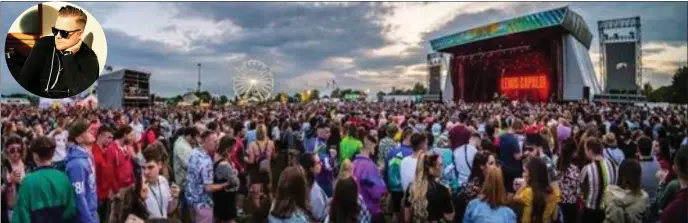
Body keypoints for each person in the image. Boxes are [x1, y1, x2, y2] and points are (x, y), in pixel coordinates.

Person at [17, 5, 99, 98]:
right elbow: (25, 81)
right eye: (55, 30)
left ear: (79, 34)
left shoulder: (90, 58)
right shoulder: (43, 44)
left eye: (64, 33)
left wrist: (68, 56)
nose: (58, 36)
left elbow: (79, 93)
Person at [11, 136, 77, 223]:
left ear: (35, 155)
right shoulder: (64, 177)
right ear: (53, 154)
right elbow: (71, 210)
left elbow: (21, 216)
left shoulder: (27, 182)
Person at [185, 131, 231, 223]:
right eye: (214, 141)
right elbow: (208, 188)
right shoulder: (206, 161)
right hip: (203, 203)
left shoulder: (194, 152)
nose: (217, 144)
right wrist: (226, 184)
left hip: (191, 198)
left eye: (217, 141)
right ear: (205, 141)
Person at [403, 152, 454, 222]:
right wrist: (449, 196)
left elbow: (407, 219)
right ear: (433, 168)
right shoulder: (442, 190)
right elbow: (450, 217)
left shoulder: (411, 188)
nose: (442, 168)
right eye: (440, 165)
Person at [64, 120, 98, 223]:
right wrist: (89, 220)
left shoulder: (86, 157)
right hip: (84, 218)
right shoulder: (77, 164)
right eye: (88, 131)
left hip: (92, 212)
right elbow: (79, 196)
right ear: (79, 139)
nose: (93, 131)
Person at [513, 157, 561, 223]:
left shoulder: (527, 192)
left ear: (532, 174)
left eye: (524, 171)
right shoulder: (554, 191)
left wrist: (523, 186)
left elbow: (515, 198)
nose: (522, 174)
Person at [581, 138, 618, 223]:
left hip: (591, 210)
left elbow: (581, 189)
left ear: (590, 151)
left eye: (585, 149)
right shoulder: (613, 164)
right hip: (608, 208)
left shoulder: (587, 169)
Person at [352, 135, 387, 222]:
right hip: (370, 209)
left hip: (356, 207)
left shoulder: (354, 163)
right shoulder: (369, 165)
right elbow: (377, 191)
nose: (375, 149)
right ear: (370, 145)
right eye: (374, 146)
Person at [455, 151, 497, 222]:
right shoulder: (474, 186)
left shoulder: (491, 180)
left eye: (495, 163)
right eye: (491, 163)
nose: (495, 167)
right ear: (482, 166)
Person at [142, 142, 180, 220]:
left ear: (160, 165)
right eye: (143, 168)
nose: (146, 172)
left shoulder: (163, 181)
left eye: (150, 167)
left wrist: (175, 198)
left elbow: (169, 210)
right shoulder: (140, 187)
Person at [213, 136, 240, 223]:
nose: (235, 149)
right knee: (229, 219)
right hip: (226, 197)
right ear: (228, 148)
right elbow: (235, 182)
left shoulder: (215, 156)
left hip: (218, 195)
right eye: (233, 147)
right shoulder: (224, 164)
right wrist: (235, 173)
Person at [91, 126, 115, 223]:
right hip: (98, 195)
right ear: (100, 136)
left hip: (105, 193)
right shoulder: (94, 153)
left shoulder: (103, 151)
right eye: (109, 137)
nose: (111, 140)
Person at [247, 124, 276, 199]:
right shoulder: (271, 143)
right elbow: (273, 157)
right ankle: (271, 208)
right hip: (267, 169)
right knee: (269, 191)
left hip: (256, 170)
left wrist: (244, 158)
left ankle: (258, 210)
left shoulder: (252, 144)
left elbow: (251, 161)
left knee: (256, 196)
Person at [557, 139, 582, 223]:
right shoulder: (574, 170)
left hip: (559, 201)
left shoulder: (558, 165)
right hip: (571, 203)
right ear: (573, 152)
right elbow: (578, 190)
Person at [106, 126, 136, 195]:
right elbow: (110, 172)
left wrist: (132, 181)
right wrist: (115, 190)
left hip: (129, 185)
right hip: (119, 189)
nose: (133, 138)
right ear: (125, 135)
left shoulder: (127, 147)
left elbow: (129, 166)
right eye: (131, 135)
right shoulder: (112, 149)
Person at [299, 153, 329, 222]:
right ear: (311, 168)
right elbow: (319, 215)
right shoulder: (313, 190)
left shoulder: (306, 183)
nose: (321, 164)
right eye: (318, 163)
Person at [499, 119, 526, 193]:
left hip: (504, 166)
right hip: (514, 169)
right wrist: (525, 154)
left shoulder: (502, 136)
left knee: (505, 189)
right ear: (518, 128)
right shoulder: (514, 140)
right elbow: (517, 157)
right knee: (513, 190)